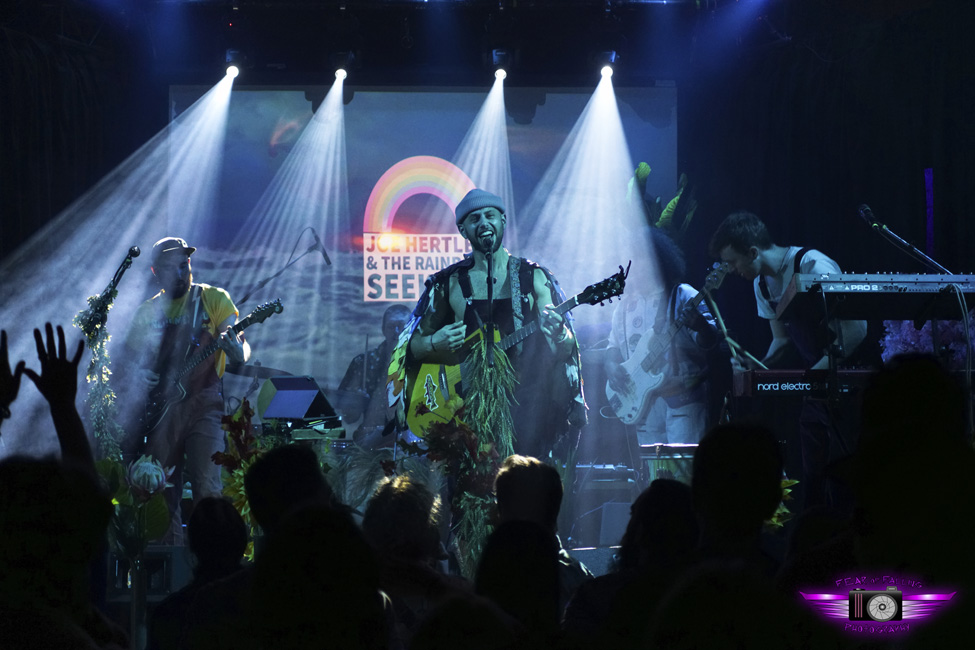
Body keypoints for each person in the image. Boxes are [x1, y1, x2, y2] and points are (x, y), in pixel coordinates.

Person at [390, 188, 586, 460]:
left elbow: (564, 350)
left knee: (524, 491)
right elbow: (411, 348)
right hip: (465, 415)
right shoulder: (449, 283)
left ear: (502, 221)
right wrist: (437, 341)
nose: (483, 222)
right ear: (463, 230)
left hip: (527, 411)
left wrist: (559, 333)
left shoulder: (534, 277)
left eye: (490, 215)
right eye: (474, 219)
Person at [708, 211, 867, 511]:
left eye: (732, 262)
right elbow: (782, 340)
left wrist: (814, 375)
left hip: (847, 384)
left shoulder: (812, 265)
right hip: (816, 386)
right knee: (814, 476)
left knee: (847, 473)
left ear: (753, 252)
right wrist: (757, 367)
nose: (731, 270)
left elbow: (856, 331)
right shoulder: (763, 285)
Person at [121, 236, 249, 543]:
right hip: (162, 412)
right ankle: (168, 573)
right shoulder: (146, 313)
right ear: (155, 272)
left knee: (208, 487)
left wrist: (236, 352)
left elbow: (241, 346)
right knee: (160, 493)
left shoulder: (213, 299)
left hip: (205, 405)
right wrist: (140, 374)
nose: (181, 272)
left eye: (184, 264)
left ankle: (215, 564)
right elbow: (128, 365)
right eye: (171, 268)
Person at [604, 228, 718, 452]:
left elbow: (711, 342)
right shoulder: (624, 307)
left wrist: (702, 327)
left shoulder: (683, 294)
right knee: (652, 478)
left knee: (685, 475)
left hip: (684, 402)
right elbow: (613, 346)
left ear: (656, 260)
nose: (629, 269)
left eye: (637, 260)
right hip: (642, 406)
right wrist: (609, 365)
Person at [336, 303, 412, 443]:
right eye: (390, 326)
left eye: (401, 326)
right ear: (383, 329)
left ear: (411, 328)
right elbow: (349, 417)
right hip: (370, 442)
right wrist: (355, 403)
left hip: (412, 441)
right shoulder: (363, 363)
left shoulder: (422, 362)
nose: (396, 331)